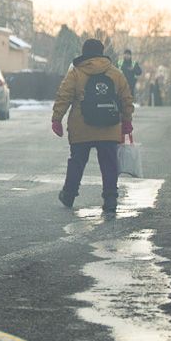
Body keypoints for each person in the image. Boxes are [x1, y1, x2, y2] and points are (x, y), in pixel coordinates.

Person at [51, 38, 134, 214]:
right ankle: (110, 198)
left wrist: (56, 119)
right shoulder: (116, 73)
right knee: (109, 162)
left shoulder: (75, 73)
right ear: (102, 52)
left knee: (77, 161)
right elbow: (126, 98)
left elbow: (63, 96)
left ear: (84, 53)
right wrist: (126, 120)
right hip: (109, 126)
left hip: (81, 126)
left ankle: (69, 194)